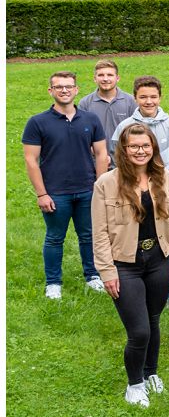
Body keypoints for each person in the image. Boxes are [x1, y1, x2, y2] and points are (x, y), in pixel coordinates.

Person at [91, 125, 169, 408]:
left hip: (159, 260)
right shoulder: (106, 183)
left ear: (153, 148)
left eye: (145, 146)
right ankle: (134, 384)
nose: (140, 151)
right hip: (124, 265)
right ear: (124, 149)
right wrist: (107, 271)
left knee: (153, 320)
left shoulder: (164, 178)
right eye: (134, 146)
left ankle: (151, 372)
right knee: (139, 330)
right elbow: (99, 233)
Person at [22, 71, 109, 299]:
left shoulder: (90, 119)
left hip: (87, 190)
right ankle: (53, 283)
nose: (64, 90)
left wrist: (99, 187)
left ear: (76, 90)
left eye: (68, 86)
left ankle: (92, 276)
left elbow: (101, 154)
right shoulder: (37, 122)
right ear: (51, 91)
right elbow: (31, 160)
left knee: (89, 236)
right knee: (54, 238)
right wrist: (42, 194)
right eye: (59, 87)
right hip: (55, 193)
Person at [112, 77, 169, 314]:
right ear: (135, 97)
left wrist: (168, 184)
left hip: (165, 194)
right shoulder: (125, 126)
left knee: (168, 239)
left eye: (153, 96)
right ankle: (140, 288)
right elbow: (115, 160)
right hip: (133, 195)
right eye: (143, 96)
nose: (149, 101)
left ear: (160, 97)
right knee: (139, 237)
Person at [78, 59, 136, 167]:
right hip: (95, 164)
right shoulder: (85, 103)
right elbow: (81, 135)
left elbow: (138, 132)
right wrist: (98, 154)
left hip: (126, 163)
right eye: (101, 75)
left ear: (117, 78)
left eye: (110, 75)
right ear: (95, 79)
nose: (105, 79)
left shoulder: (130, 101)